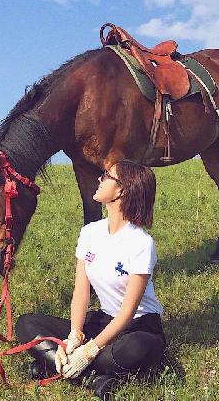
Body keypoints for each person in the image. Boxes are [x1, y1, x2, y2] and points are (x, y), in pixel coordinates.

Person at [15, 159, 166, 400]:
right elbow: (81, 292)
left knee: (136, 348)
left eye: (107, 176)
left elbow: (127, 313)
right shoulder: (90, 233)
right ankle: (90, 377)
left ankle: (57, 363)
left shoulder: (141, 243)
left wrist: (90, 350)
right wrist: (75, 335)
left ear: (122, 190)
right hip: (102, 321)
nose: (99, 179)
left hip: (137, 326)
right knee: (26, 324)